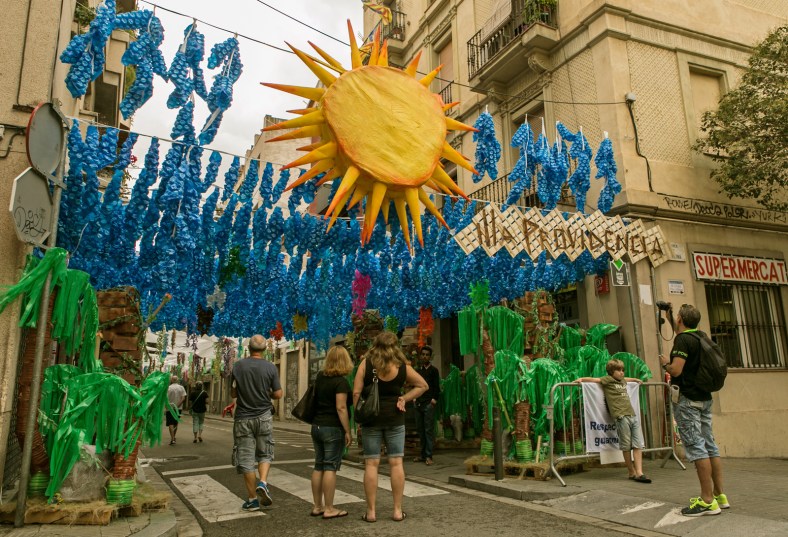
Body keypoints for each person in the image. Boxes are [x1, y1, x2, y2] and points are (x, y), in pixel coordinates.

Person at [352, 331, 428, 523]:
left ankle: (371, 512)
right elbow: (422, 385)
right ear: (395, 346)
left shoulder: (367, 364)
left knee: (371, 463)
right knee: (396, 463)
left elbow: (355, 392)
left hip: (371, 420)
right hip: (395, 419)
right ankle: (396, 510)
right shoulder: (402, 367)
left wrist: (360, 412)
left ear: (376, 345)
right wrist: (404, 398)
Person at [660, 304, 727, 517]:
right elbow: (682, 331)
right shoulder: (700, 336)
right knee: (710, 445)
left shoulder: (682, 340)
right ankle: (719, 495)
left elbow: (676, 369)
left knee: (697, 448)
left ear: (680, 320)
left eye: (677, 317)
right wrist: (669, 315)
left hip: (688, 400)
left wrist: (665, 364)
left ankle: (707, 500)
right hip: (705, 398)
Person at [231, 335, 283, 511]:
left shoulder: (238, 366)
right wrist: (265, 392)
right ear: (264, 349)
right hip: (264, 416)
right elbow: (278, 394)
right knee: (265, 453)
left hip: (243, 418)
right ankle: (263, 482)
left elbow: (233, 393)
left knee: (246, 459)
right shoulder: (270, 367)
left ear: (249, 348)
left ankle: (252, 499)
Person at [576, 359, 650, 483]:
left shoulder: (623, 380)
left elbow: (628, 379)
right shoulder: (608, 380)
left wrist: (636, 380)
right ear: (611, 372)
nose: (622, 373)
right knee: (626, 445)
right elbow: (595, 380)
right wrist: (582, 379)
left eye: (623, 370)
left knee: (638, 444)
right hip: (621, 416)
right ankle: (631, 471)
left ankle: (640, 472)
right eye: (619, 370)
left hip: (632, 414)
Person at [309, 345, 353, 519]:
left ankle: (317, 506)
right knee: (330, 467)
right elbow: (341, 407)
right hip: (332, 428)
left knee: (318, 465)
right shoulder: (341, 382)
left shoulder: (320, 377)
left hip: (317, 426)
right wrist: (347, 430)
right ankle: (329, 508)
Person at [413, 345, 440, 466]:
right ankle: (422, 454)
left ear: (430, 357)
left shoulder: (434, 370)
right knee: (420, 430)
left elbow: (436, 387)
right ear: (420, 356)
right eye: (423, 354)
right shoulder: (418, 370)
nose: (424, 356)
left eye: (427, 355)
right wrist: (414, 398)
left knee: (428, 430)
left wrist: (434, 399)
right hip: (418, 402)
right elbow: (414, 385)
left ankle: (429, 455)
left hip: (428, 403)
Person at [166, 375, 187, 445]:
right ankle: (174, 436)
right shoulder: (181, 388)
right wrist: (177, 406)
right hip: (178, 408)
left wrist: (167, 406)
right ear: (177, 380)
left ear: (171, 380)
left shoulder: (168, 388)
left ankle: (172, 439)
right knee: (175, 423)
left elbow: (165, 399)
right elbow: (183, 398)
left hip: (169, 408)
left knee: (170, 423)